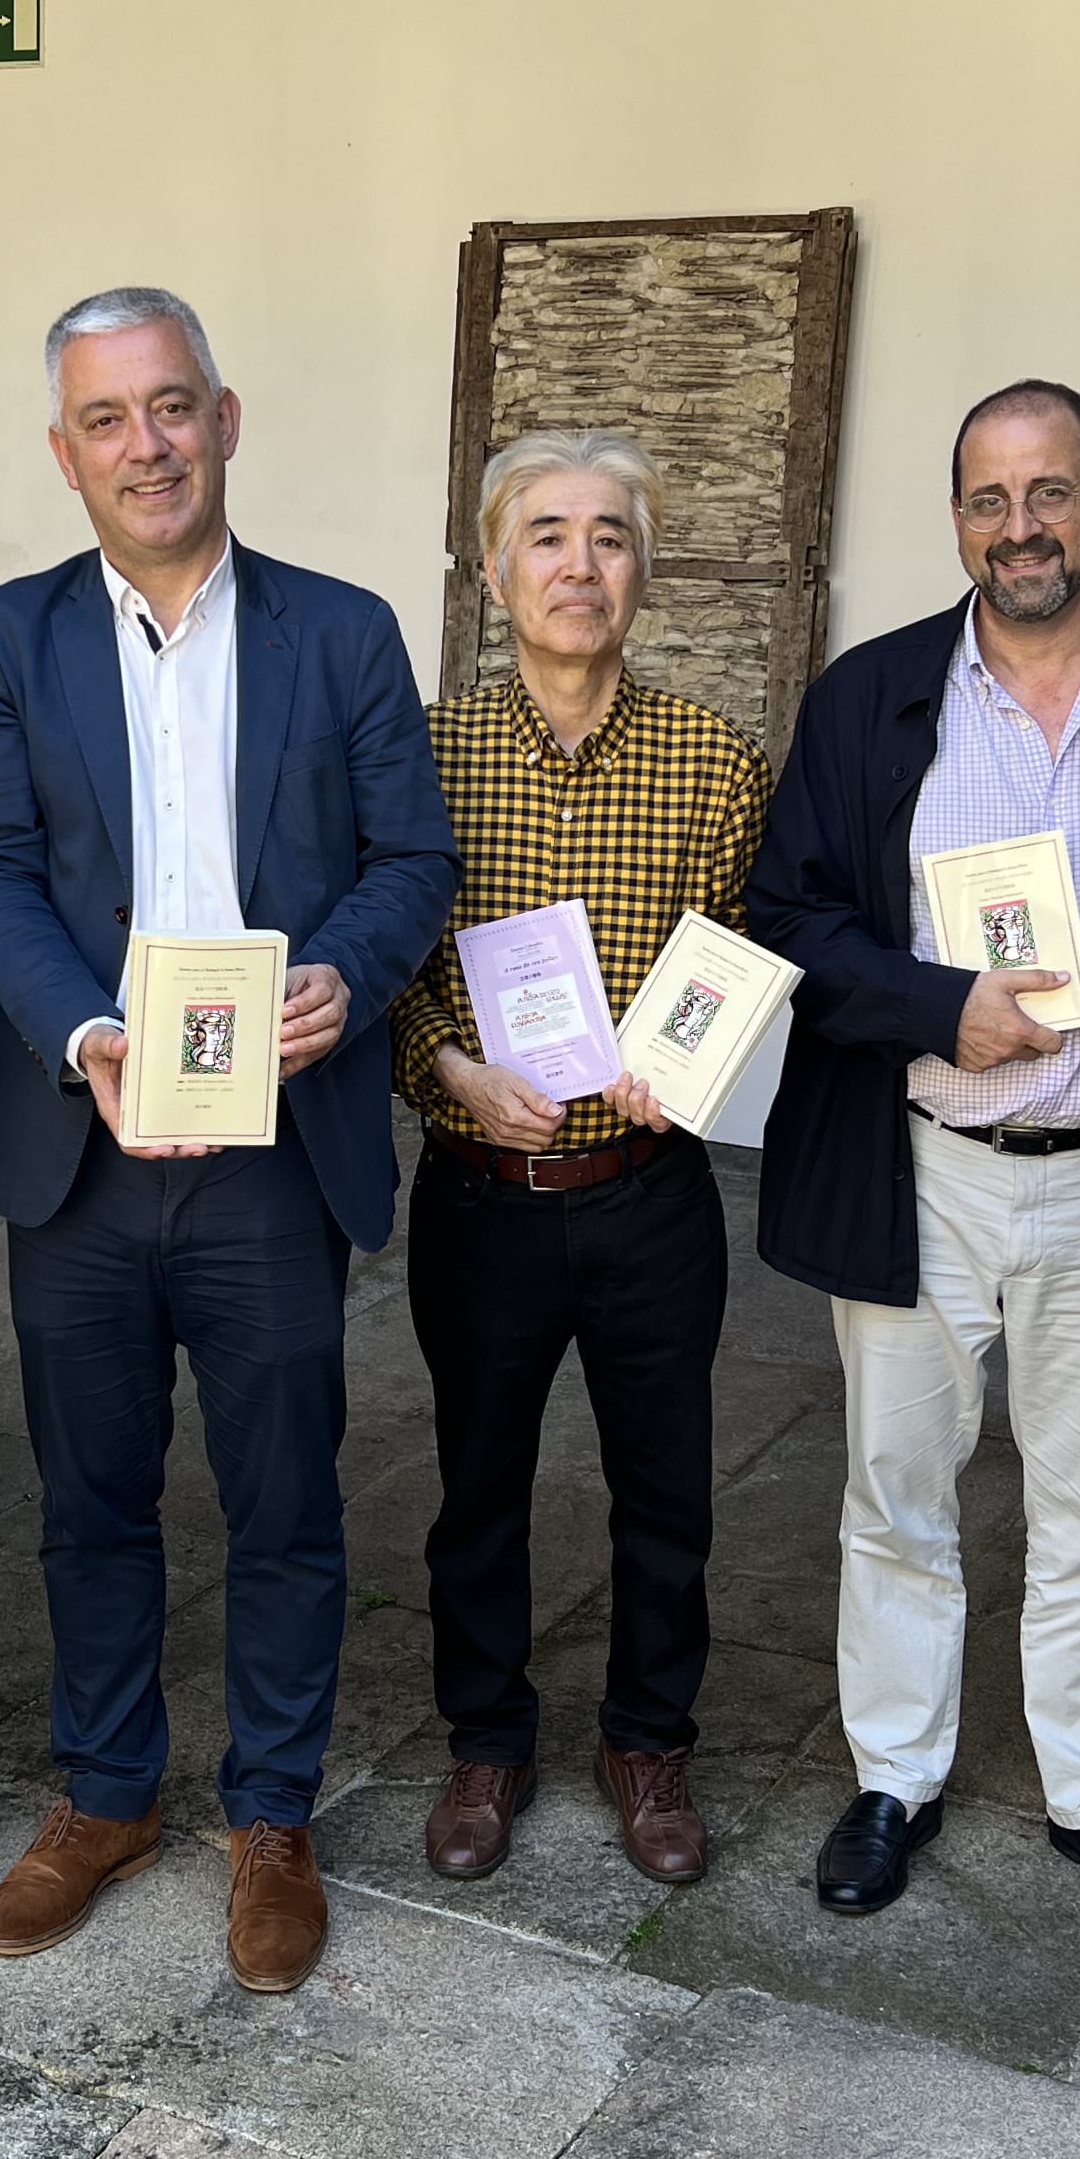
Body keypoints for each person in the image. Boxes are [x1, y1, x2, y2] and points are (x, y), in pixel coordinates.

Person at [0, 286, 457, 1993]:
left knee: (286, 1495)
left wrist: (346, 978)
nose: (145, 445)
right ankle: (106, 1795)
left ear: (224, 421)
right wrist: (84, 1035)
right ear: (65, 452)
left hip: (274, 1144)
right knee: (89, 1494)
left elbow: (412, 861)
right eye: (108, 419)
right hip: (80, 1144)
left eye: (172, 407)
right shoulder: (9, 637)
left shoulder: (342, 631)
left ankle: (272, 1810)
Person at [747, 380, 1080, 1941]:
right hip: (920, 1166)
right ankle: (893, 1777)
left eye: (1050, 492)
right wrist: (938, 1008)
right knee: (895, 1491)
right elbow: (791, 916)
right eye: (989, 498)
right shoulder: (869, 696)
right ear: (958, 520)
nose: (1020, 525)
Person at [391, 432, 768, 1885]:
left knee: (666, 1491)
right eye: (546, 536)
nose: (579, 564)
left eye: (610, 537)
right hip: (482, 1194)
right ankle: (486, 1739)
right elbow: (389, 964)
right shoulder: (425, 755)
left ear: (641, 574)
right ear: (496, 574)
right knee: (476, 1483)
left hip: (647, 1194)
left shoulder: (713, 759)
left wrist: (697, 1064)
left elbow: (741, 956)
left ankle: (649, 1739)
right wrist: (451, 1069)